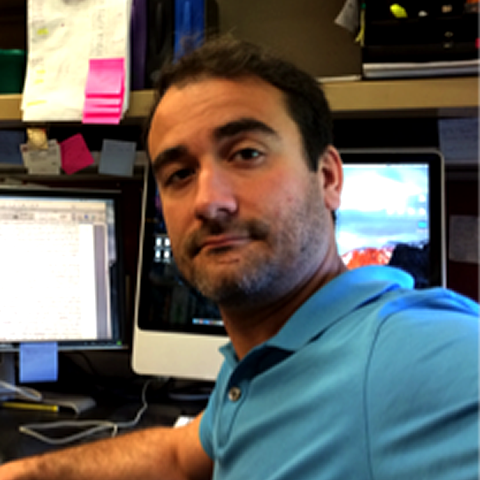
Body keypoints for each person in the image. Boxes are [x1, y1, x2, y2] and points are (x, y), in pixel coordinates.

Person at [2, 35, 480, 480]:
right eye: (179, 173)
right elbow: (178, 453)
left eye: (247, 153)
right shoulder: (269, 355)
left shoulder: (415, 352)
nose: (209, 201)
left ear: (329, 179)